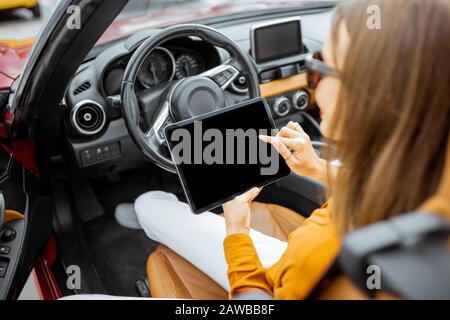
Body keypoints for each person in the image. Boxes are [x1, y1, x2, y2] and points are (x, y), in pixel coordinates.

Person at [132, 0, 450, 299]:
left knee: (147, 204)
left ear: (379, 97)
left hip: (284, 273)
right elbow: (392, 188)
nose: (312, 83)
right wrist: (317, 168)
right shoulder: (431, 176)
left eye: (320, 68)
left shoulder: (338, 264)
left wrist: (237, 231)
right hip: (303, 257)